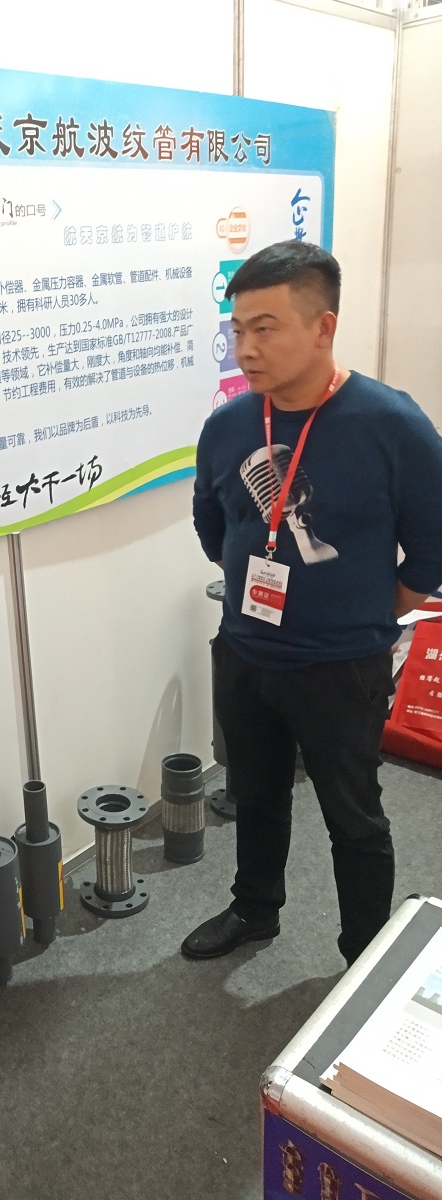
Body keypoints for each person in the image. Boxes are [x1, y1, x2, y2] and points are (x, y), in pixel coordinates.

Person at [183, 240, 442, 969]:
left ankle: (364, 956)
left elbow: (432, 546)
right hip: (246, 649)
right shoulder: (230, 424)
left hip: (341, 665)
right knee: (256, 794)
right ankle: (254, 908)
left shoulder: (392, 424)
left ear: (323, 326)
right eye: (238, 329)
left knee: (353, 816)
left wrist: (372, 611)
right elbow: (211, 520)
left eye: (265, 328)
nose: (246, 348)